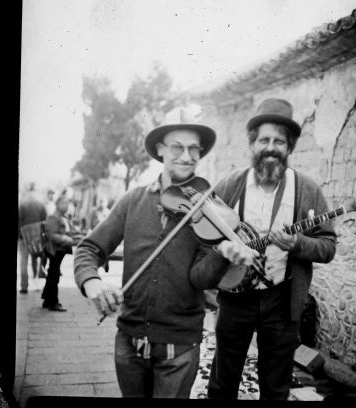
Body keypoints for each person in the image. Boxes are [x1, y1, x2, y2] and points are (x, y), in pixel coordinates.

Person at [73, 110, 254, 399]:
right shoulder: (134, 200)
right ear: (160, 150)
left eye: (194, 148)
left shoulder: (208, 212)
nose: (187, 156)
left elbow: (199, 280)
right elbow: (89, 248)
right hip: (129, 343)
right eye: (177, 147)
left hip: (179, 348)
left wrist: (222, 254)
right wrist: (92, 283)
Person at [207, 98, 337, 400]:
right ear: (253, 144)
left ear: (289, 147)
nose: (270, 146)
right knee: (222, 383)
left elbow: (328, 247)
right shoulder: (229, 185)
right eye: (264, 139)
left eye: (279, 141)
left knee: (276, 389)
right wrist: (226, 248)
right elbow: (205, 236)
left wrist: (298, 244)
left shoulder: (307, 189)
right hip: (234, 300)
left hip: (281, 301)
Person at [42, 195, 79, 311]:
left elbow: (67, 232)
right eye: (64, 203)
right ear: (58, 204)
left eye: (67, 204)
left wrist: (75, 236)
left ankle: (47, 300)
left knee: (52, 274)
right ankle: (53, 303)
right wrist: (71, 241)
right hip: (54, 250)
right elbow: (53, 236)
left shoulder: (62, 217)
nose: (67, 206)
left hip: (59, 250)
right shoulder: (53, 217)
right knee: (54, 275)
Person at [18, 182, 47, 293]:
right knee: (37, 259)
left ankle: (24, 286)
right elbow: (46, 219)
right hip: (37, 237)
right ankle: (37, 284)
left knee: (23, 261)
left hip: (23, 237)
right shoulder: (40, 202)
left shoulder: (22, 202)